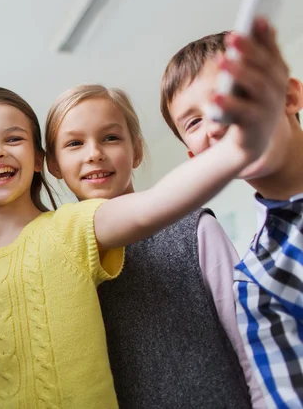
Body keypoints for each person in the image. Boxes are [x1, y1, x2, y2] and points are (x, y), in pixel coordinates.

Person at [0, 74, 279, 407]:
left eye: (13, 138)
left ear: (39, 159)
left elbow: (151, 207)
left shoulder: (74, 229)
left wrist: (233, 147)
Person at [45, 83, 263, 408]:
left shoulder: (196, 230)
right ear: (54, 164)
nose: (94, 153)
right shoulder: (55, 258)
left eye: (110, 137)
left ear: (137, 150)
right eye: (75, 143)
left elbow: (253, 347)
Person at [160, 20, 302, 407]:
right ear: (198, 160)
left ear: (289, 98)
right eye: (194, 120)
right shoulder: (256, 281)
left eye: (232, 94)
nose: (218, 121)